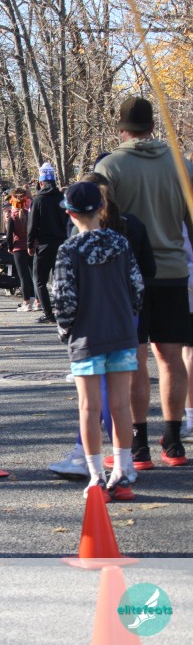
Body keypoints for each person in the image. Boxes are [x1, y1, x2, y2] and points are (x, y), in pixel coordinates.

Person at [96, 96, 193, 467]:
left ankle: (138, 446)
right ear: (153, 126)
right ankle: (174, 441)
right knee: (172, 357)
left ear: (121, 129)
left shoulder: (110, 166)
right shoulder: (181, 165)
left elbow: (101, 223)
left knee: (134, 359)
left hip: (127, 276)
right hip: (173, 272)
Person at [52, 181, 143, 501]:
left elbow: (63, 299)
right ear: (101, 208)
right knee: (120, 405)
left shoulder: (69, 250)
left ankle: (95, 477)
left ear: (70, 213)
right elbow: (137, 287)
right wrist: (128, 314)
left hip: (87, 337)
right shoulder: (121, 243)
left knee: (89, 408)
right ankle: (123, 472)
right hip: (122, 332)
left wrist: (65, 331)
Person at [27, 162, 68, 324]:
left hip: (44, 244)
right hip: (62, 243)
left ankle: (48, 313)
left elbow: (32, 225)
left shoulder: (38, 200)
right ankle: (63, 311)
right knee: (60, 279)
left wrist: (30, 244)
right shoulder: (62, 198)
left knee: (40, 281)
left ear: (41, 182)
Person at [7, 194, 38, 312]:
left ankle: (27, 303)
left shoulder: (12, 218)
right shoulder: (30, 215)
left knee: (23, 277)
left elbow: (9, 236)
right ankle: (37, 301)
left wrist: (10, 247)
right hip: (31, 247)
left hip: (18, 248)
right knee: (34, 275)